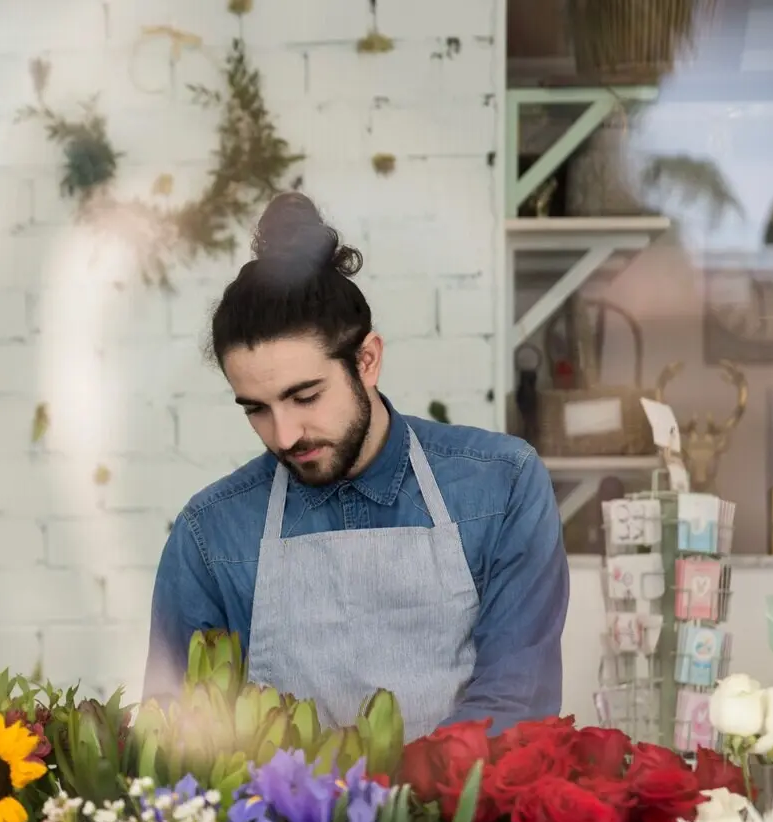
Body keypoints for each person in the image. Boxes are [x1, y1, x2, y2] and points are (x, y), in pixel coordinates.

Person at [143, 192, 568, 739]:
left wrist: (386, 811)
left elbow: (516, 701)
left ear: (367, 360)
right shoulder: (210, 532)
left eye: (305, 396)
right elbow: (177, 734)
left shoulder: (501, 486)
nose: (285, 435)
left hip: (465, 821)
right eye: (257, 409)